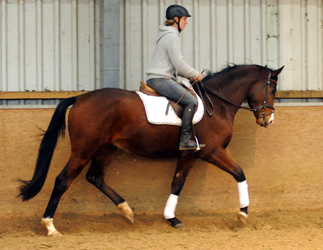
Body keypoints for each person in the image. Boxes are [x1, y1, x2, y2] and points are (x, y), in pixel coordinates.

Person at [146, 4, 205, 151]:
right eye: (184, 19)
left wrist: (187, 75)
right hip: (160, 79)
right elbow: (179, 64)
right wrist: (196, 74)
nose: (186, 22)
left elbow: (172, 65)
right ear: (176, 19)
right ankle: (185, 140)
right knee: (191, 101)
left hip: (159, 77)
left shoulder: (166, 35)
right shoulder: (172, 36)